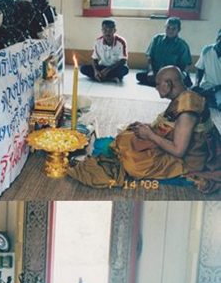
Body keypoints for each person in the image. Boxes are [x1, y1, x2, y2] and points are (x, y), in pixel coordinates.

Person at [69, 66, 221, 193]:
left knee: (133, 165)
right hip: (179, 145)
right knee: (128, 135)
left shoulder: (187, 111)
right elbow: (171, 125)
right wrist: (148, 128)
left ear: (168, 84)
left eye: (158, 84)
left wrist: (150, 135)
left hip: (187, 160)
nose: (156, 87)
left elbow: (179, 151)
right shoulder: (184, 96)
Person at [136, 18, 192, 87]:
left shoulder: (182, 45)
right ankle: (165, 83)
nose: (170, 31)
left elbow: (187, 64)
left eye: (173, 29)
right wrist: (151, 71)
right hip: (157, 71)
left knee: (184, 82)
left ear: (178, 30)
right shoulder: (157, 39)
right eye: (168, 27)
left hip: (173, 74)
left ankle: (163, 83)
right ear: (165, 27)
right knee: (139, 76)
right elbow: (149, 57)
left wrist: (184, 74)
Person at [195, 29, 221, 109]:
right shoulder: (207, 50)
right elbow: (200, 69)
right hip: (208, 85)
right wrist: (197, 84)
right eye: (220, 37)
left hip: (219, 88)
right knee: (190, 98)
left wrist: (215, 89)